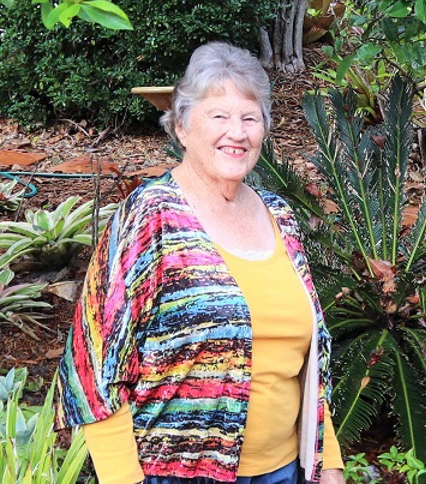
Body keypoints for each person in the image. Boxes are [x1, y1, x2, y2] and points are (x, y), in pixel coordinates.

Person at [57, 41, 345, 484]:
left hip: (287, 470)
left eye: (250, 118)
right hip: (175, 473)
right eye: (219, 116)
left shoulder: (279, 215)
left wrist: (330, 464)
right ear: (182, 128)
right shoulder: (151, 217)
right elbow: (94, 361)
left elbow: (307, 360)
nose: (238, 132)